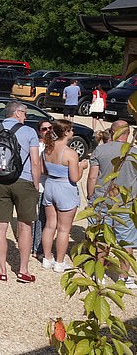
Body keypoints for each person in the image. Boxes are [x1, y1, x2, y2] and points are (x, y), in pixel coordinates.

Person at [0, 101, 41, 283]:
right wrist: (36, 183)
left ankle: (2, 270)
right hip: (24, 181)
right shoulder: (29, 132)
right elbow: (34, 162)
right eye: (24, 113)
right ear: (17, 113)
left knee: (0, 227)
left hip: (1, 181)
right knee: (25, 226)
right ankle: (23, 270)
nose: (25, 117)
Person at [86, 120, 137, 288]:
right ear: (128, 134)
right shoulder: (134, 153)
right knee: (126, 241)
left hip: (103, 202)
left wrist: (91, 197)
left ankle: (99, 275)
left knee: (102, 238)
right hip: (125, 203)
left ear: (113, 132)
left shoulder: (101, 150)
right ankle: (124, 277)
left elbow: (93, 177)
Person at [40, 120, 88, 273]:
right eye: (71, 129)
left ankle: (47, 258)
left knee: (49, 225)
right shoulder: (70, 153)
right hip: (65, 188)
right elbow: (74, 178)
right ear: (66, 132)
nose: (73, 132)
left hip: (50, 185)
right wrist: (82, 166)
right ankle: (60, 262)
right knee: (64, 229)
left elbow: (43, 170)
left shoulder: (47, 149)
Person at [31, 119, 53, 258]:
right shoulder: (37, 147)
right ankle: (37, 248)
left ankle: (37, 247)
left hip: (48, 186)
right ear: (39, 131)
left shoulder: (52, 146)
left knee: (44, 218)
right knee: (39, 218)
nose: (48, 131)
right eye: (44, 129)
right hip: (39, 185)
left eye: (50, 128)